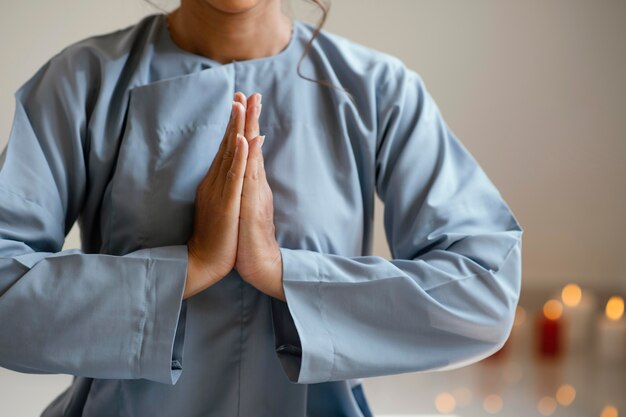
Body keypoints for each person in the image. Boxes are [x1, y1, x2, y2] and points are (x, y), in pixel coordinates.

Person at [0, 0, 523, 416]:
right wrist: (188, 268)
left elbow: (484, 294)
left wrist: (281, 274)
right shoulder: (80, 84)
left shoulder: (380, 93)